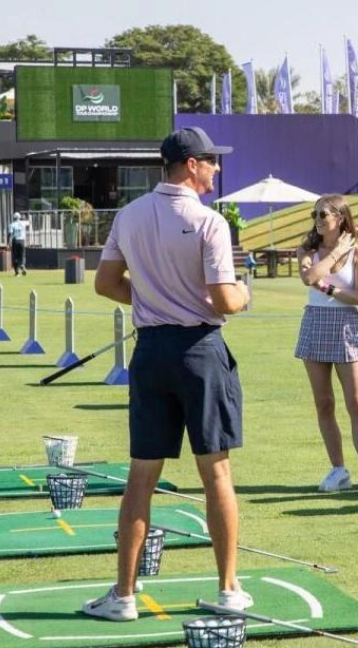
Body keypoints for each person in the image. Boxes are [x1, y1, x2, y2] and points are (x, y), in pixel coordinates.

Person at [83, 127, 252, 621]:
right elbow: (224, 299)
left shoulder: (129, 215)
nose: (216, 169)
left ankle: (123, 596)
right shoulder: (210, 222)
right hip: (199, 349)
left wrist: (155, 300)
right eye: (210, 162)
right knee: (216, 471)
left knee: (142, 476)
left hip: (151, 351)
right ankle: (227, 589)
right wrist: (244, 294)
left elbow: (106, 284)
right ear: (190, 164)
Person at [294, 194, 358, 494]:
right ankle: (338, 470)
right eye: (315, 215)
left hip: (346, 325)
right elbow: (308, 276)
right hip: (315, 322)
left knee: (357, 404)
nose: (318, 220)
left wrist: (328, 288)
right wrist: (335, 251)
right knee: (324, 403)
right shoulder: (308, 249)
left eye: (324, 214)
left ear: (340, 217)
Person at [7, 212, 29, 276]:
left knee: (15, 256)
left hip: (15, 241)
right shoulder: (23, 223)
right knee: (22, 255)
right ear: (19, 217)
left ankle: (17, 272)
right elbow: (29, 223)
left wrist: (8, 242)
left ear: (14, 218)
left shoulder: (12, 225)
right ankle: (22, 265)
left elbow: (10, 234)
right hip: (22, 240)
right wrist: (24, 217)